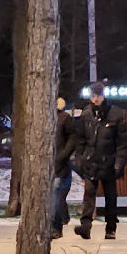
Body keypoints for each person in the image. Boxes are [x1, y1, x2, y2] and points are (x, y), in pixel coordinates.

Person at [72, 81, 127, 240]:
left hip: (109, 162)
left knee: (110, 196)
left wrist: (119, 163)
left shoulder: (116, 114)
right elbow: (80, 140)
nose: (96, 99)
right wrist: (80, 159)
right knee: (89, 194)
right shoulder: (86, 114)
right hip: (90, 161)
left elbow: (123, 143)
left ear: (103, 96)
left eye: (98, 95)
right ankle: (85, 226)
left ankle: (111, 228)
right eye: (93, 96)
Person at [52, 98, 78, 240]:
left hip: (59, 166)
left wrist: (63, 155)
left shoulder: (64, 118)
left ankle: (56, 227)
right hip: (49, 166)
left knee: (56, 197)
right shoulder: (46, 118)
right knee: (53, 198)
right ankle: (53, 225)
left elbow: (73, 138)